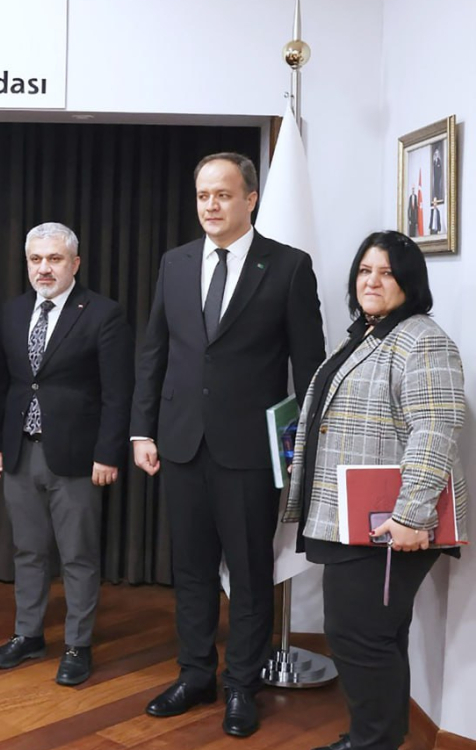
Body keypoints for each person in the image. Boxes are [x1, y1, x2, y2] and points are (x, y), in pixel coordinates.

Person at [129, 152, 325, 737]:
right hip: (181, 442)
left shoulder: (288, 266)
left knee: (249, 573)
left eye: (222, 194)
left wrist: (305, 449)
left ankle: (242, 684)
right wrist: (142, 429)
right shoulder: (175, 262)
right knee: (190, 570)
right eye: (202, 196)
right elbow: (154, 352)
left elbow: (309, 365)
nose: (210, 206)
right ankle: (195, 675)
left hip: (250, 451)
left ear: (250, 199)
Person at [283, 231, 466, 750]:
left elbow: (436, 429)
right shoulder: (369, 334)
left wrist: (411, 515)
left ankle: (374, 742)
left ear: (410, 281)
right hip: (354, 519)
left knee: (358, 636)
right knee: (373, 635)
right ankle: (377, 738)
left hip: (389, 523)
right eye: (365, 270)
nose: (372, 281)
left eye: (386, 272)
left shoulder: (422, 339)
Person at [0, 222, 133, 685]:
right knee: (27, 550)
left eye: (54, 259)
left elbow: (117, 392)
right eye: (36, 259)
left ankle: (77, 645)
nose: (44, 269)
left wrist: (108, 453)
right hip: (19, 451)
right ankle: (28, 635)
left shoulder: (103, 313)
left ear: (75, 263)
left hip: (77, 457)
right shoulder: (12, 312)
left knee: (78, 556)